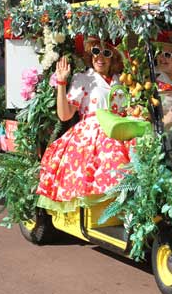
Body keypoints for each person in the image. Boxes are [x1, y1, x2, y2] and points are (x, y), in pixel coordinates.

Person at [36, 38, 131, 211]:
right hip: (93, 132)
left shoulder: (121, 80)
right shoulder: (84, 78)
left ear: (113, 57)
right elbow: (65, 115)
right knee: (112, 156)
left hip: (120, 129)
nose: (100, 57)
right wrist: (61, 83)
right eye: (95, 52)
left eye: (106, 53)